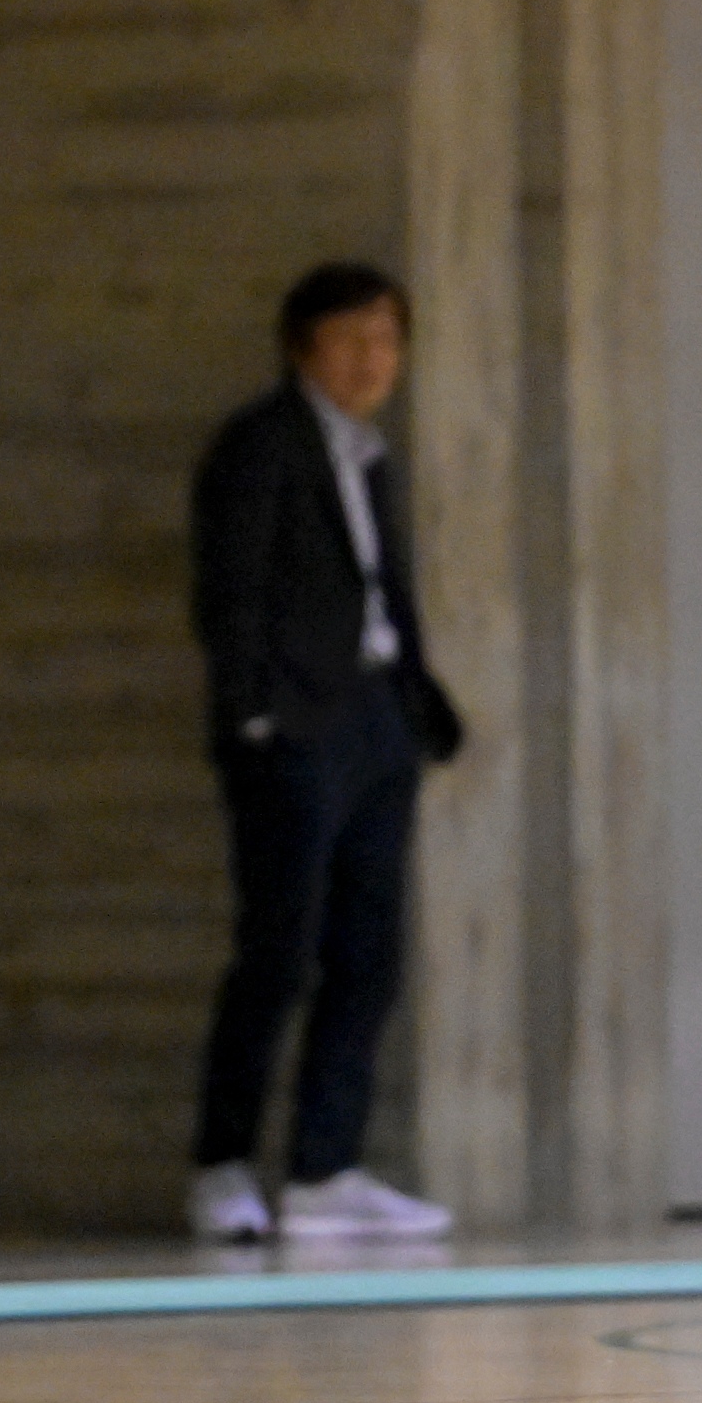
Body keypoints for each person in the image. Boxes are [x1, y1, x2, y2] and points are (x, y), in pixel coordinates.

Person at [186, 262, 464, 1242]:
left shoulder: (368, 453)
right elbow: (230, 593)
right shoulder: (260, 445)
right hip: (295, 729)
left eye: (386, 339)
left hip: (375, 718)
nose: (371, 359)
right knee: (278, 950)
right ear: (303, 346)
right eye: (350, 339)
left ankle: (323, 1167)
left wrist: (412, 704)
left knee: (366, 950)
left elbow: (380, 587)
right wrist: (253, 717)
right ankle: (223, 1163)